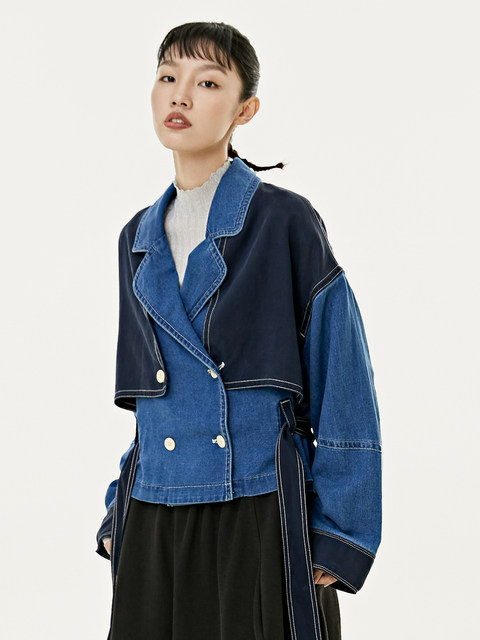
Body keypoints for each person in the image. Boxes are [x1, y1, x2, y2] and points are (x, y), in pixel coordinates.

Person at [95, 21, 382, 640]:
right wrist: (119, 508)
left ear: (245, 109)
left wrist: (341, 532)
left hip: (260, 508)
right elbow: (156, 400)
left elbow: (344, 378)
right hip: (153, 513)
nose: (180, 95)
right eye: (168, 76)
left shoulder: (285, 221)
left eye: (207, 82)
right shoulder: (135, 239)